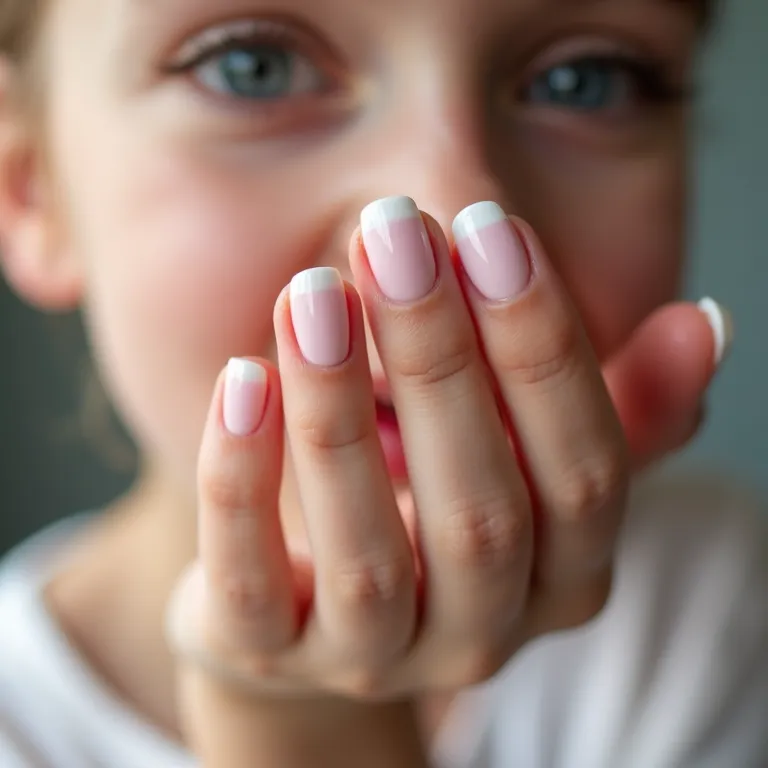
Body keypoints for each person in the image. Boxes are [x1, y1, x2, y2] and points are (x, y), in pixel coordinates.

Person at [0, 0, 765, 765]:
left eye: (584, 81)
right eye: (254, 68)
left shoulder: (718, 610)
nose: (450, 215)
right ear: (28, 184)